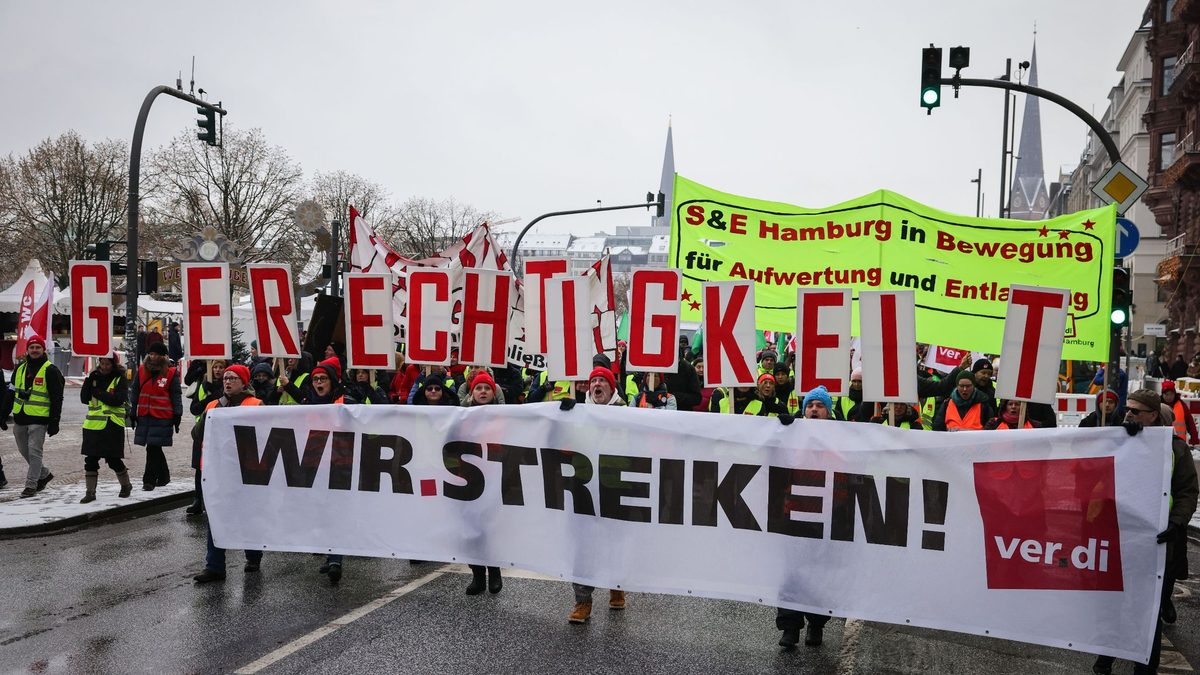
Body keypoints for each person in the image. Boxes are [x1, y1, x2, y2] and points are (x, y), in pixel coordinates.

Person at [1093, 390, 1198, 675]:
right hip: (1121, 538)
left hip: (1159, 543)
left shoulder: (1175, 448)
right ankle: (1106, 659)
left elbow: (1187, 491)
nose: (1128, 414)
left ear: (1153, 415)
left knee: (1148, 614)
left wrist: (1176, 524)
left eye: (1136, 411)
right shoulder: (1119, 439)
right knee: (1115, 606)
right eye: (1127, 409)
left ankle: (1144, 669)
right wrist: (1124, 438)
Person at [560, 367, 627, 622]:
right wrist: (562, 415)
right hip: (583, 489)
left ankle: (617, 585)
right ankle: (582, 601)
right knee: (583, 546)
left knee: (614, 543)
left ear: (611, 388)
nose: (597, 384)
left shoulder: (626, 414)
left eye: (602, 381)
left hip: (615, 488)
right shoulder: (578, 413)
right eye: (593, 381)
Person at [191, 365, 265, 584]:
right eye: (225, 378)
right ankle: (214, 567)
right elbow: (197, 435)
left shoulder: (256, 405)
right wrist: (213, 413)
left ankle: (253, 557)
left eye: (232, 378)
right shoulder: (214, 405)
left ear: (243, 382)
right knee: (215, 518)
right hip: (218, 472)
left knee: (247, 516)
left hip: (246, 472)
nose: (227, 382)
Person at [777, 385, 836, 648]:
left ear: (828, 412)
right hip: (795, 515)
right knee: (791, 573)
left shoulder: (844, 437)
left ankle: (816, 624)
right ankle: (790, 629)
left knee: (820, 574)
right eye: (809, 405)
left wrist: (874, 431)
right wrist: (780, 428)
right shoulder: (792, 434)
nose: (813, 409)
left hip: (829, 517)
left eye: (819, 405)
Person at [305, 357, 357, 583]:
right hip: (316, 464)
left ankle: (336, 560)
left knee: (336, 511)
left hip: (341, 464)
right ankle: (329, 555)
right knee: (322, 512)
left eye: (323, 378)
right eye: (315, 379)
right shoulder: (308, 403)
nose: (318, 382)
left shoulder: (345, 400)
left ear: (332, 381)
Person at [462, 371, 505, 596]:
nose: (483, 392)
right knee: (472, 529)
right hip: (467, 480)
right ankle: (477, 574)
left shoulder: (505, 415)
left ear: (493, 392)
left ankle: (494, 571)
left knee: (490, 527)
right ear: (472, 393)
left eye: (487, 388)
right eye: (479, 388)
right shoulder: (460, 416)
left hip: (494, 479)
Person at [8, 336, 63, 497]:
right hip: (20, 418)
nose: (34, 350)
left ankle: (31, 485)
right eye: (32, 348)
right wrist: (3, 414)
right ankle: (44, 473)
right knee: (24, 450)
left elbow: (57, 398)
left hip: (39, 420)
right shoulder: (20, 369)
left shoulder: (51, 370)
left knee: (34, 452)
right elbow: (11, 392)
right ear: (27, 350)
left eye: (38, 347)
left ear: (43, 349)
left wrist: (54, 421)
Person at [79, 353, 132, 502]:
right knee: (90, 460)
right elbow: (84, 399)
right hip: (92, 425)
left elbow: (117, 400)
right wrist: (89, 381)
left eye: (107, 364)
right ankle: (90, 492)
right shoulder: (94, 378)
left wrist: (98, 393)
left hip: (112, 424)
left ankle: (126, 485)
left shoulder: (119, 379)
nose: (104, 367)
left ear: (113, 364)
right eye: (102, 363)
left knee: (113, 459)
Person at [132, 342, 182, 491]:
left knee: (153, 448)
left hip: (162, 415)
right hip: (145, 415)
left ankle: (149, 480)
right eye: (151, 354)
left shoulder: (171, 372)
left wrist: (177, 414)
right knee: (153, 447)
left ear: (163, 356)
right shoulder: (142, 370)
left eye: (156, 354)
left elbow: (176, 394)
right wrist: (132, 411)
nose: (152, 357)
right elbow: (135, 391)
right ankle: (164, 476)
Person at [186, 359, 226, 515]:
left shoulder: (228, 384)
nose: (217, 370)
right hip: (203, 431)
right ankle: (198, 499)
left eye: (221, 367)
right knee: (199, 467)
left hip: (221, 432)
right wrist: (208, 400)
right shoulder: (204, 385)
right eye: (215, 367)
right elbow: (194, 408)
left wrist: (215, 394)